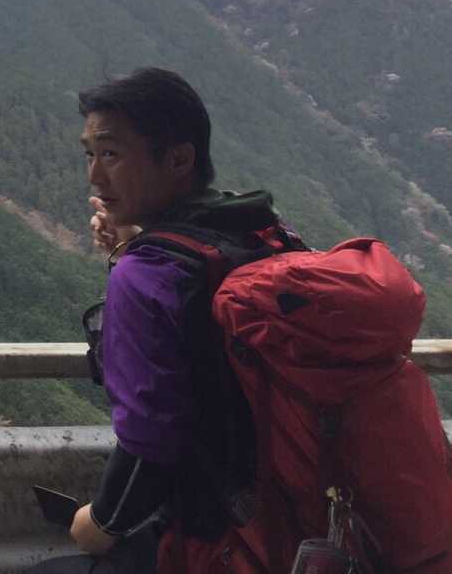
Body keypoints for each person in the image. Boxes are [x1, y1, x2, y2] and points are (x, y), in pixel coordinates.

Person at [30, 66, 283, 573]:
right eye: (90, 154)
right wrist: (133, 245)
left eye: (111, 154)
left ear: (179, 159)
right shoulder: (259, 230)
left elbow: (150, 445)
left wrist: (96, 524)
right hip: (290, 514)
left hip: (213, 541)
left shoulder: (145, 274)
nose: (94, 176)